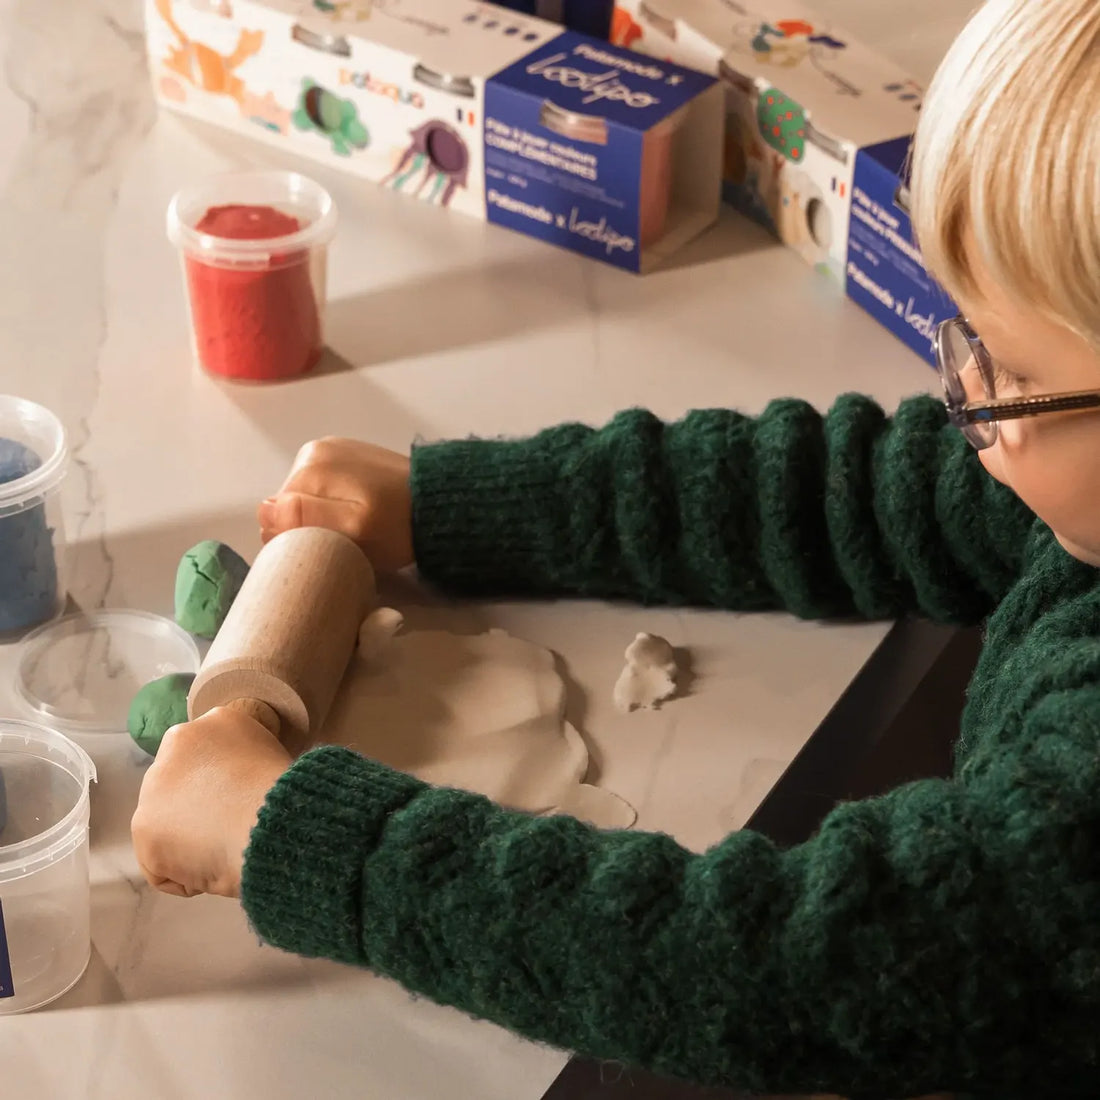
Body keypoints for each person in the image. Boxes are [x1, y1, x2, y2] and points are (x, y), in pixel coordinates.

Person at [132, 1, 1100, 1095]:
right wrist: (455, 505)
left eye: (1009, 371)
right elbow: (845, 490)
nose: (961, 394)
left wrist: (299, 835)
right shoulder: (1065, 502)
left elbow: (774, 963)